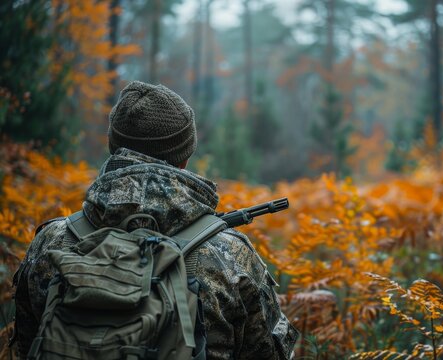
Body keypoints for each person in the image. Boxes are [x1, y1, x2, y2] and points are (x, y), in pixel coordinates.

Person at [13, 81, 299, 359]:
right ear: (184, 156)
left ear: (114, 147)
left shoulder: (50, 241)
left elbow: (26, 345)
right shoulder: (230, 255)